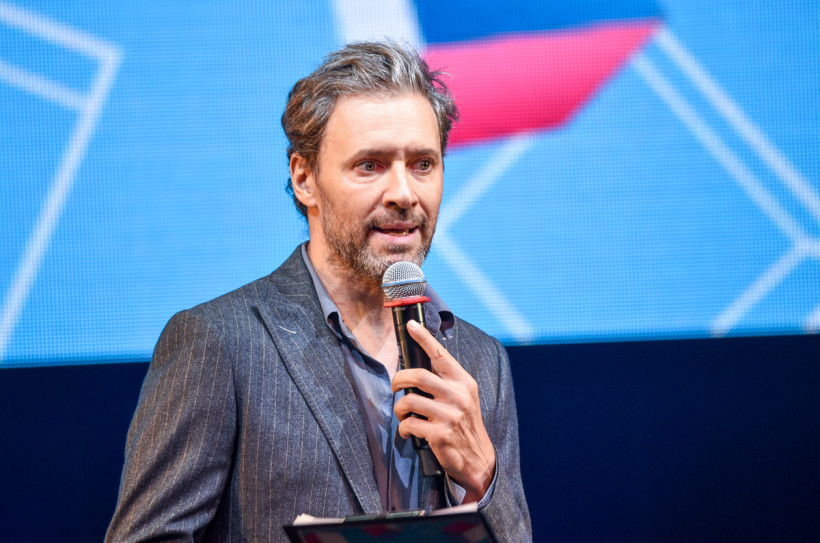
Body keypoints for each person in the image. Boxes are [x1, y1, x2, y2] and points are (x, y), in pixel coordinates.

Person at [106, 41, 531, 543]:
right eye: (370, 165)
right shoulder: (220, 343)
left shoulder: (480, 359)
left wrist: (483, 477)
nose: (403, 193)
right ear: (304, 178)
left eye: (423, 164)